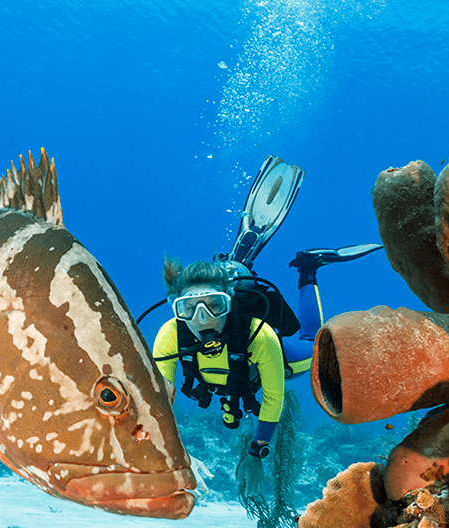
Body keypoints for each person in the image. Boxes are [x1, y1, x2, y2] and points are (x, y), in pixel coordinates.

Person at [149, 158, 381, 498]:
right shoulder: (171, 334)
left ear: (228, 303)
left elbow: (273, 396)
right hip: (233, 377)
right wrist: (164, 450)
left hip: (268, 359)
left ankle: (309, 268)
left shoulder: (259, 333)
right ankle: (239, 259)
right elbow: (158, 396)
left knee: (314, 343)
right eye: (188, 309)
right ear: (177, 310)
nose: (201, 319)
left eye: (213, 305)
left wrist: (258, 453)